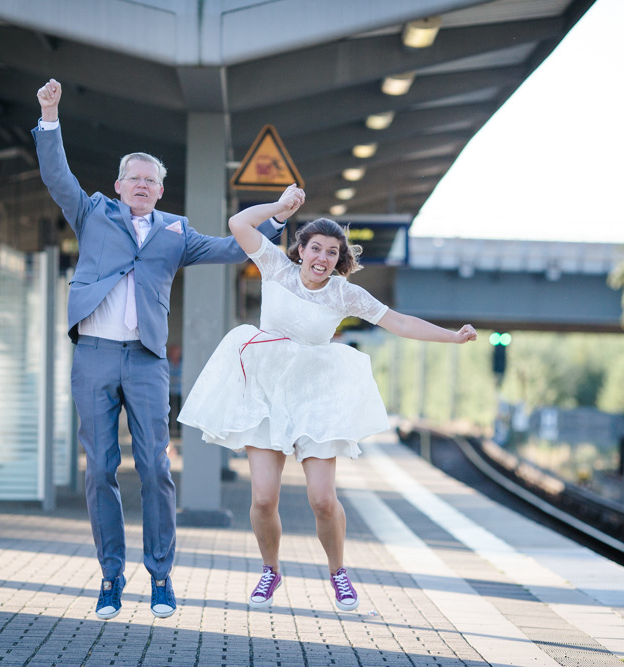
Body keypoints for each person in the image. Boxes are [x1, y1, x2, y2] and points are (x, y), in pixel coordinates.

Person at [33, 79, 287, 621]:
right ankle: (109, 577)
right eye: (135, 178)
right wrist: (50, 116)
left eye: (152, 180)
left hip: (146, 360)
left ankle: (162, 576)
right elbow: (57, 176)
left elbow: (229, 247)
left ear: (160, 191)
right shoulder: (91, 212)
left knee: (154, 467)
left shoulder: (176, 232)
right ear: (119, 185)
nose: (143, 185)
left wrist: (278, 217)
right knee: (99, 469)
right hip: (95, 354)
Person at [178, 184, 477, 612]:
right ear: (300, 250)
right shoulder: (274, 266)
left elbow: (401, 322)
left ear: (340, 260)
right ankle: (270, 570)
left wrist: (452, 336)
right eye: (315, 248)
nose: (322, 258)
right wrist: (280, 208)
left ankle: (339, 573)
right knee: (263, 497)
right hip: (265, 392)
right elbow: (238, 224)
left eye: (332, 252)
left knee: (321, 499)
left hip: (315, 396)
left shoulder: (344, 294)